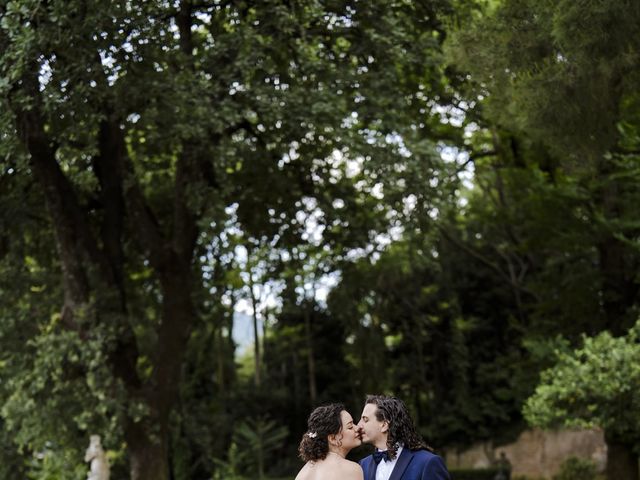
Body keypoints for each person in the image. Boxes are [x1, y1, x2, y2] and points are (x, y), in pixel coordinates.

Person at [357, 395, 450, 480]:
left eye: (365, 420)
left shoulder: (427, 463)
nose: (358, 425)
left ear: (384, 425)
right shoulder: (363, 465)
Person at [296, 403, 364, 480]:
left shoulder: (304, 472)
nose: (357, 428)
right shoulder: (352, 469)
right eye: (350, 427)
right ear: (332, 439)